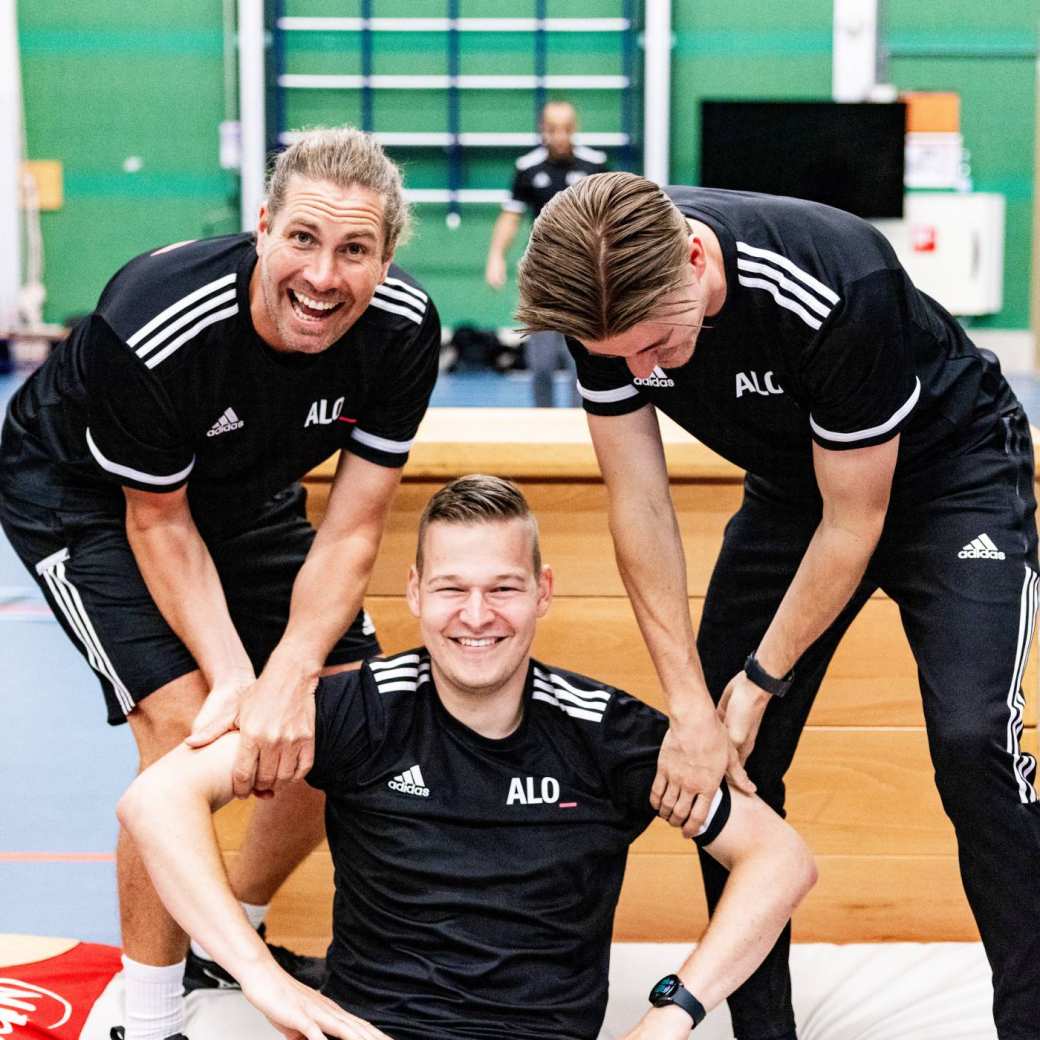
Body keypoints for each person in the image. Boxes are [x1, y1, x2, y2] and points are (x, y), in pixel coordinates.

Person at [514, 171, 1039, 1040]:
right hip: (799, 491)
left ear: (692, 257)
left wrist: (756, 682)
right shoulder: (601, 305)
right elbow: (639, 504)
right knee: (713, 764)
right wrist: (690, 705)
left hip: (951, 477)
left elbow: (856, 520)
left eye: (658, 344)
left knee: (971, 740)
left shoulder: (834, 277)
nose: (642, 372)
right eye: (621, 359)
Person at [0, 127, 441, 1040]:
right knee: (183, 724)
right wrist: (242, 682)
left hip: (243, 489)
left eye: (355, 250)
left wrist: (290, 680)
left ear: (386, 258)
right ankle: (149, 1014)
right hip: (85, 496)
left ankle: (227, 927)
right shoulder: (157, 322)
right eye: (304, 241)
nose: (324, 277)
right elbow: (156, 522)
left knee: (343, 713)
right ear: (263, 228)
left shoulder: (403, 331)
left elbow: (355, 526)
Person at [118, 474, 817, 1040]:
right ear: (417, 593)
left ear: (542, 593)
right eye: (452, 588)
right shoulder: (363, 709)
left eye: (504, 588)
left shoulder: (605, 734)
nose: (477, 616)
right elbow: (155, 800)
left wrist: (673, 1014)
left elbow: (781, 859)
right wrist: (261, 978)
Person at [484, 100, 606, 407]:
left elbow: (609, 219)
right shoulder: (528, 168)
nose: (559, 136)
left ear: (574, 128)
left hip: (584, 277)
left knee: (582, 359)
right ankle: (545, 424)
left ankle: (584, 426)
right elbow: (511, 216)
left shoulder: (594, 165)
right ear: (543, 129)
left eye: (565, 129)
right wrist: (496, 256)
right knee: (541, 363)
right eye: (552, 129)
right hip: (541, 277)